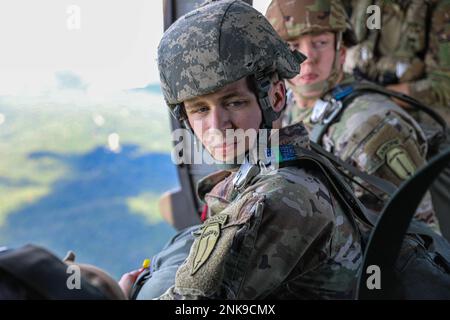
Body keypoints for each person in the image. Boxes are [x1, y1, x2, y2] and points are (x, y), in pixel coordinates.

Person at [125, 0, 364, 300]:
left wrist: (118, 294)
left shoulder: (276, 198)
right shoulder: (281, 163)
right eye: (199, 109)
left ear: (276, 98)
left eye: (234, 102)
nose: (217, 125)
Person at [265, 0, 440, 231]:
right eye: (291, 44)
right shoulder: (285, 103)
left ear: (341, 51)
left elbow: (421, 240)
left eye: (320, 42)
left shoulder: (374, 128)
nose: (307, 58)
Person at [343, 0, 450, 123]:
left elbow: (444, 86)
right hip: (360, 99)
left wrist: (381, 96)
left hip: (418, 116)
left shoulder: (441, 9)